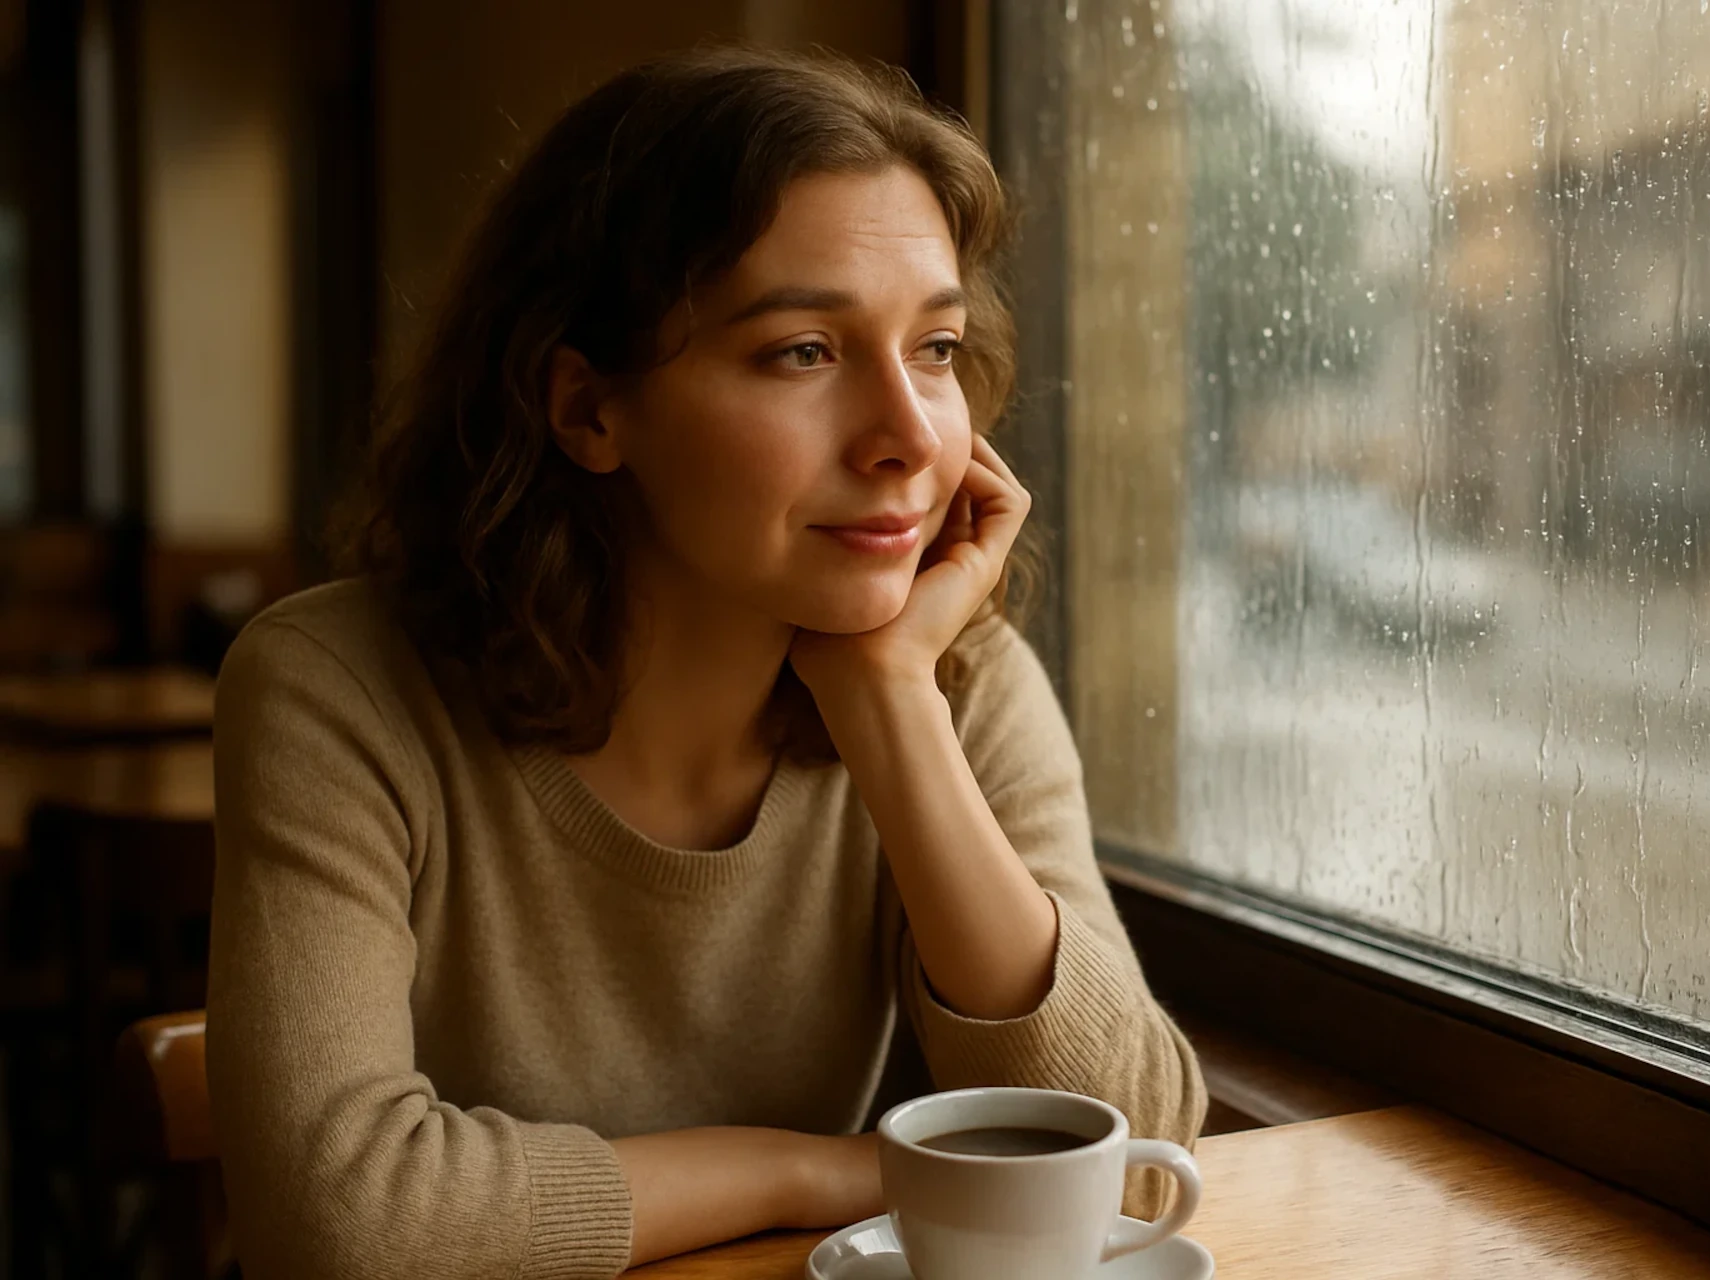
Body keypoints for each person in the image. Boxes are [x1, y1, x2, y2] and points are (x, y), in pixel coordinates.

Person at [206, 45, 1206, 1279]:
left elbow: (1137, 1160)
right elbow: (340, 1226)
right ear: (589, 408)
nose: (909, 437)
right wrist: (816, 1170)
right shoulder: (335, 687)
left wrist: (891, 706)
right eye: (804, 350)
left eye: (937, 348)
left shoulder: (960, 680)